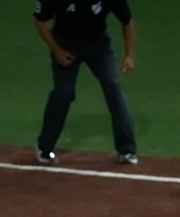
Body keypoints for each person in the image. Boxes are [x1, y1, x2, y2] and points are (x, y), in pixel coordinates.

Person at [32, 0, 138, 165]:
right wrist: (57, 51)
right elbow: (39, 21)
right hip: (65, 44)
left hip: (98, 45)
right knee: (64, 93)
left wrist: (129, 55)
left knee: (112, 86)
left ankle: (127, 150)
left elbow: (127, 20)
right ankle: (44, 147)